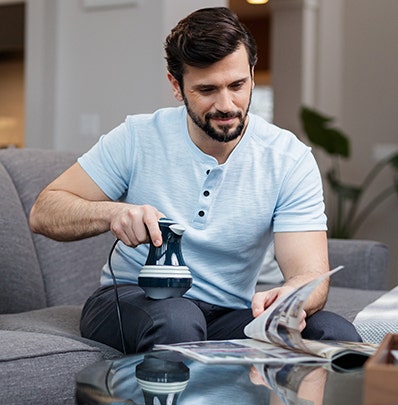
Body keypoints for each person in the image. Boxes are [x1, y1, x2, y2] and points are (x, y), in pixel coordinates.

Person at [29, 7, 361, 354]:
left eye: (237, 85)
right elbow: (44, 211)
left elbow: (311, 276)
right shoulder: (138, 137)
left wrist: (292, 297)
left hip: (228, 314)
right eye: (207, 89)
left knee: (333, 332)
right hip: (131, 302)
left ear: (251, 73)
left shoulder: (288, 158)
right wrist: (111, 214)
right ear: (177, 86)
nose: (226, 104)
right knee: (178, 318)